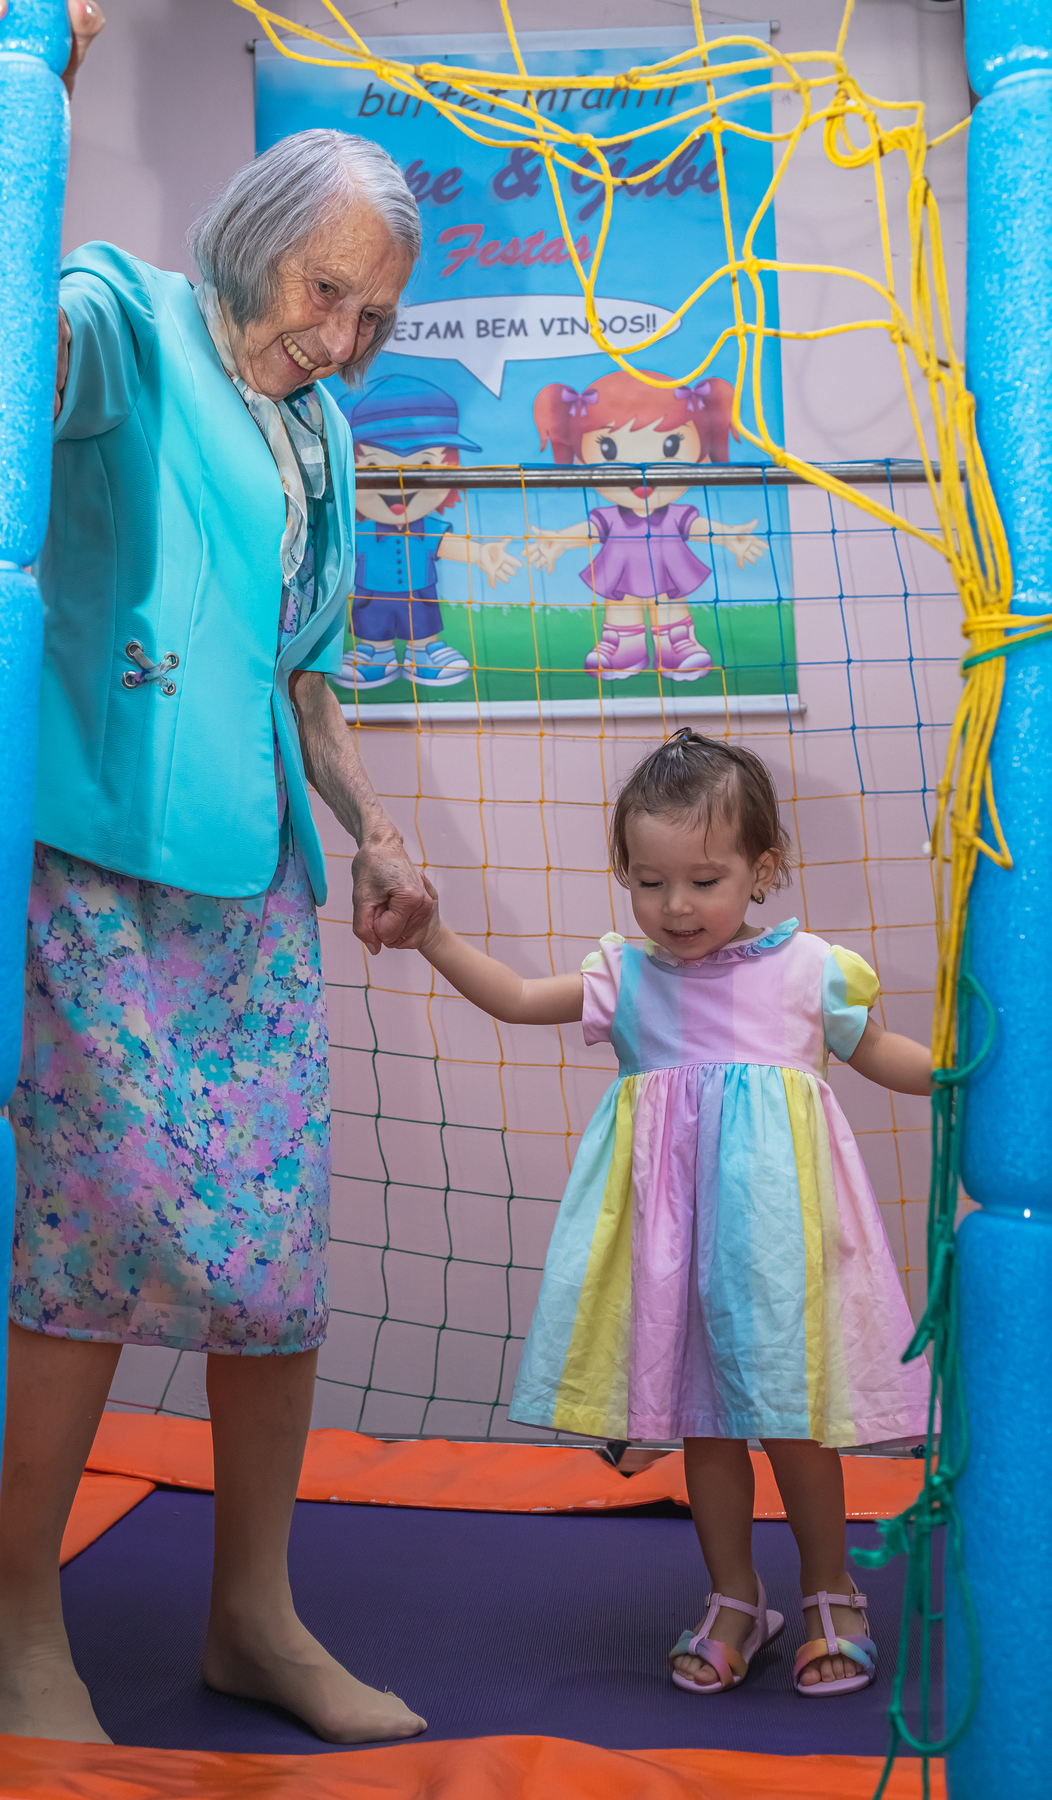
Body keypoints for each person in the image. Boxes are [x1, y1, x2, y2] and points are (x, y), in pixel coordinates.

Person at [0, 0, 432, 1748]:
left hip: (256, 879)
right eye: (326, 292)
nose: (343, 339)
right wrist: (21, 115)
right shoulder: (125, 318)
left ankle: (252, 1617)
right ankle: (18, 1620)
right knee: (91, 1230)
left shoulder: (326, 433)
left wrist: (373, 831)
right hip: (98, 865)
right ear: (252, 237)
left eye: (374, 317)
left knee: (274, 1258)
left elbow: (305, 675)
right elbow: (12, 362)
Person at [412, 728, 932, 1696]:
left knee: (798, 1426)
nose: (676, 906)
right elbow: (518, 999)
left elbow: (881, 1055)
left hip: (778, 1250)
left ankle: (830, 1589)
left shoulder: (810, 969)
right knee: (705, 1427)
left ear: (762, 870)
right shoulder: (629, 976)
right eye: (650, 882)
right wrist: (434, 937)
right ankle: (736, 1595)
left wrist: (960, 1074)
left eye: (703, 879)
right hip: (673, 1252)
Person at [527, 372, 767, 682]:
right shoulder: (611, 518)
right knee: (621, 604)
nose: (641, 469)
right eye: (609, 450)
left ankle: (677, 644)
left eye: (671, 445)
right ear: (582, 460)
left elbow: (697, 526)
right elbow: (591, 530)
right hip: (621, 569)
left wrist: (728, 536)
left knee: (669, 601)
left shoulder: (674, 516)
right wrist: (560, 540)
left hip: (668, 567)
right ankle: (623, 645)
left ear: (702, 455)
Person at [335, 373, 522, 690]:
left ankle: (423, 652)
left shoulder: (427, 529)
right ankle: (375, 654)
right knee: (371, 622)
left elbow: (444, 544)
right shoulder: (360, 531)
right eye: (376, 467)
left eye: (422, 466)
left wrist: (480, 553)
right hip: (371, 593)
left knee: (421, 620)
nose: (399, 484)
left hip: (419, 591)